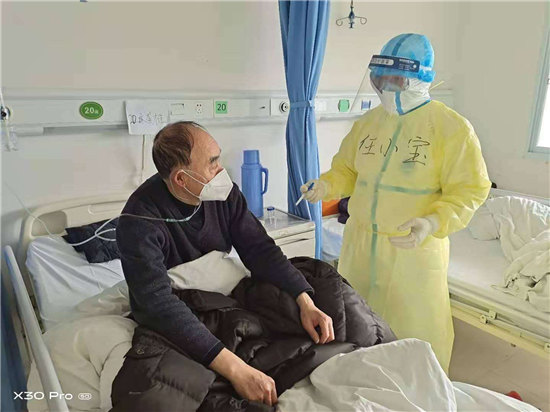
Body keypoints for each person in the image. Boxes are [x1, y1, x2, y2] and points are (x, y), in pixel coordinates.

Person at [300, 33, 491, 373]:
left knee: (413, 334)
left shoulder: (452, 129)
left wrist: (432, 222)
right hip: (360, 245)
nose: (387, 87)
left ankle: (420, 391)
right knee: (356, 323)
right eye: (381, 78)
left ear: (420, 78)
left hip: (412, 250)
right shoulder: (369, 124)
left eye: (396, 79)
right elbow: (347, 170)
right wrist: (326, 185)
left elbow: (469, 190)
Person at [116, 121, 335, 406]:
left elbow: (259, 249)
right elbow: (157, 304)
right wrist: (236, 370)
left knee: (326, 288)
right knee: (158, 389)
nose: (221, 170)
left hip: (229, 290)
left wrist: (304, 300)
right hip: (185, 305)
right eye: (212, 162)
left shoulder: (222, 193)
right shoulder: (139, 221)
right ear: (181, 179)